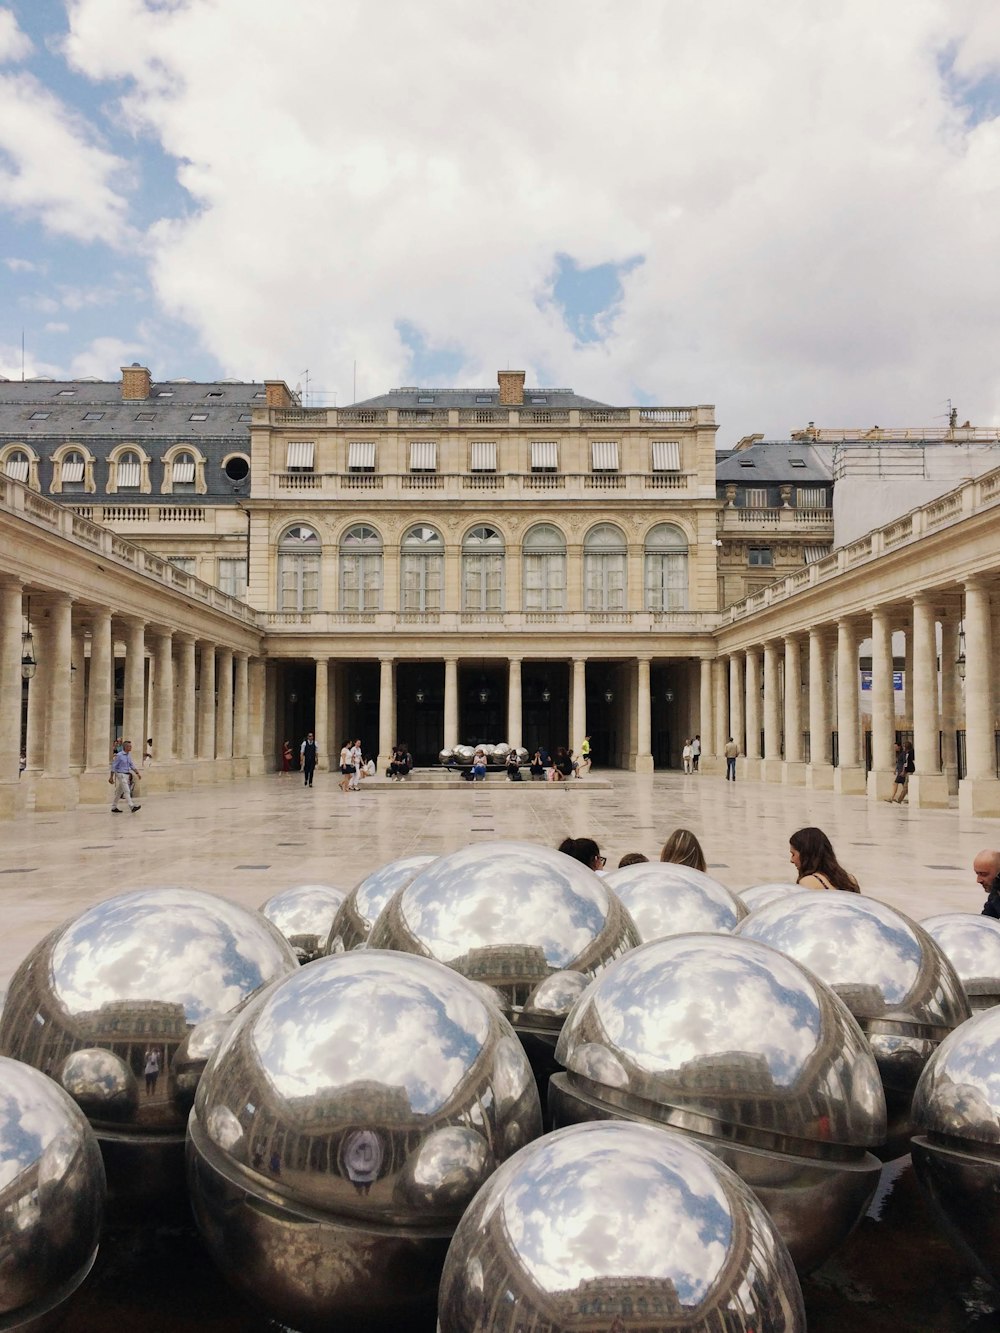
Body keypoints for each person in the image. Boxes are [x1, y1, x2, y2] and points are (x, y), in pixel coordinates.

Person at [789, 827, 860, 892]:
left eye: (793, 854)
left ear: (805, 854)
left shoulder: (808, 882)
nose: (791, 860)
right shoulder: (850, 880)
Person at [109, 739, 141, 813]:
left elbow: (131, 764)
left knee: (119, 792)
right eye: (129, 746)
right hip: (120, 774)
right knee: (127, 790)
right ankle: (132, 806)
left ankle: (114, 807)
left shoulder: (128, 755)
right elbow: (114, 766)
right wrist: (111, 777)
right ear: (125, 747)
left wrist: (137, 773)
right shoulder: (119, 755)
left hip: (126, 774)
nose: (131, 747)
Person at [974, 849, 1000, 919]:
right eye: (977, 874)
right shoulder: (996, 894)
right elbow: (986, 920)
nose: (978, 880)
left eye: (984, 874)